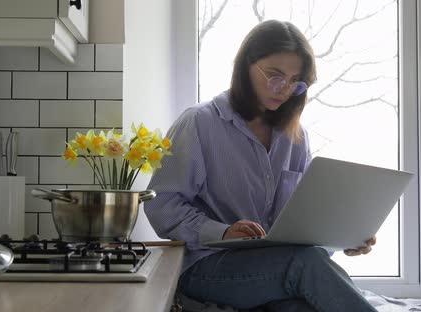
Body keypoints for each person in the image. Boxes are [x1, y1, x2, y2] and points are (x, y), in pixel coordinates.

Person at [144, 20, 378, 312]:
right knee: (305, 264)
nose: (285, 89)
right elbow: (161, 204)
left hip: (273, 268)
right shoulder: (199, 123)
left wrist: (344, 237)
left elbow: (301, 220)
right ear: (246, 66)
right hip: (205, 267)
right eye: (275, 75)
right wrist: (222, 231)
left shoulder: (296, 137)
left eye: (295, 81)